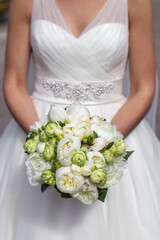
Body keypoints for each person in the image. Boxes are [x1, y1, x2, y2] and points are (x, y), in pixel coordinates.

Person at [0, 0, 160, 239]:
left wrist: (102, 147)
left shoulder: (135, 2)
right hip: (38, 129)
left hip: (116, 131)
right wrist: (45, 144)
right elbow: (13, 83)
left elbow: (143, 88)